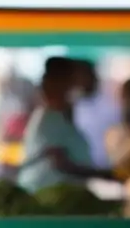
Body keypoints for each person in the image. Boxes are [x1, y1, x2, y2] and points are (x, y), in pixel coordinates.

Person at [18, 58, 115, 193]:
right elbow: (61, 164)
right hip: (44, 200)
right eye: (75, 80)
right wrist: (108, 175)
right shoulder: (49, 121)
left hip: (63, 197)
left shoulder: (64, 119)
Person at [72, 59, 121, 168]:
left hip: (106, 167)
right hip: (80, 169)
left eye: (87, 76)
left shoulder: (110, 104)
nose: (83, 81)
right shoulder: (72, 106)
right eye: (80, 77)